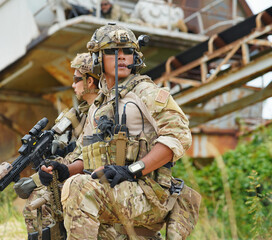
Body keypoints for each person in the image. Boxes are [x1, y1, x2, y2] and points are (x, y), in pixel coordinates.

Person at [39, 23, 201, 239]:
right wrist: (63, 171)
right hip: (117, 190)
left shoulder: (145, 92)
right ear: (98, 58)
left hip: (150, 193)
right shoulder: (98, 105)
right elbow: (85, 154)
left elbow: (178, 136)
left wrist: (132, 170)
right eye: (113, 52)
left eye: (128, 52)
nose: (122, 57)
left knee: (79, 189)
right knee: (46, 195)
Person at [14, 52, 100, 235]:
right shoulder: (84, 113)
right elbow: (76, 151)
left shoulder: (101, 113)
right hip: (78, 173)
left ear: (89, 82)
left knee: (39, 201)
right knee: (35, 198)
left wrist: (60, 170)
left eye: (76, 79)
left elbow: (92, 158)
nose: (72, 84)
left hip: (91, 178)